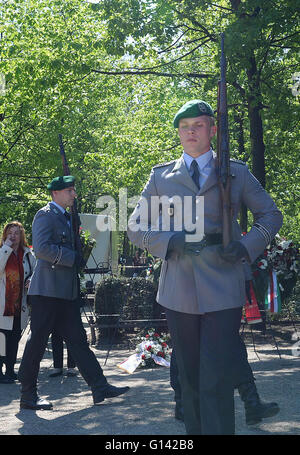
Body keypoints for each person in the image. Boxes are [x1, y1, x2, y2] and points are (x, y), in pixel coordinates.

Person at [127, 99, 283, 435]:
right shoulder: (160, 177)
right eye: (184, 127)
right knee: (190, 378)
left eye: (198, 125)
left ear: (213, 130)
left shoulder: (235, 172)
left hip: (222, 285)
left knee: (216, 377)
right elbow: (135, 226)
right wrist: (169, 242)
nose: (191, 132)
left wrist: (245, 246)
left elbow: (271, 215)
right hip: (178, 287)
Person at [18, 175, 129, 410]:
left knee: (79, 342)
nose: (74, 195)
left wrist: (81, 252)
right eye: (69, 191)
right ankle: (28, 395)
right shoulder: (45, 215)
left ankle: (99, 386)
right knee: (37, 342)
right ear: (55, 193)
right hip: (47, 292)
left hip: (65, 294)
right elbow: (42, 248)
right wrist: (72, 258)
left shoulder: (68, 217)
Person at [0, 222, 36, 384]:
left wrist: (31, 280)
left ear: (22, 236)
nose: (13, 236)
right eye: (10, 233)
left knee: (14, 339)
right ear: (5, 235)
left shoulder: (28, 254)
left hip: (19, 304)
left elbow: (36, 273)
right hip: (3, 305)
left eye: (16, 233)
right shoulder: (2, 251)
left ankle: (10, 370)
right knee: (2, 339)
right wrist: (6, 248)